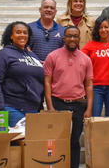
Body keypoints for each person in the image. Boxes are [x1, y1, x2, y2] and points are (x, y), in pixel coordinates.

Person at [43, 26, 93, 168]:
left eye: (75, 36)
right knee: (58, 140)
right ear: (64, 38)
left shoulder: (86, 59)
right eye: (69, 36)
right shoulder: (52, 56)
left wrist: (88, 109)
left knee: (74, 141)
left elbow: (89, 85)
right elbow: (47, 82)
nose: (72, 39)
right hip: (58, 103)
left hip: (78, 104)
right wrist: (50, 106)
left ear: (79, 38)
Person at [0, 21, 45, 126]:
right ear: (11, 36)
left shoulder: (33, 55)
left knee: (31, 140)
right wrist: (0, 108)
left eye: (25, 33)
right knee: (25, 137)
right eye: (18, 32)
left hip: (32, 108)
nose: (22, 35)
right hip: (11, 107)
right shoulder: (3, 54)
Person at [81, 18, 109, 117]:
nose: (103, 30)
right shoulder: (90, 45)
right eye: (100, 27)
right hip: (95, 88)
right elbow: (80, 62)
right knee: (94, 117)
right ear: (97, 30)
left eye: (106, 27)